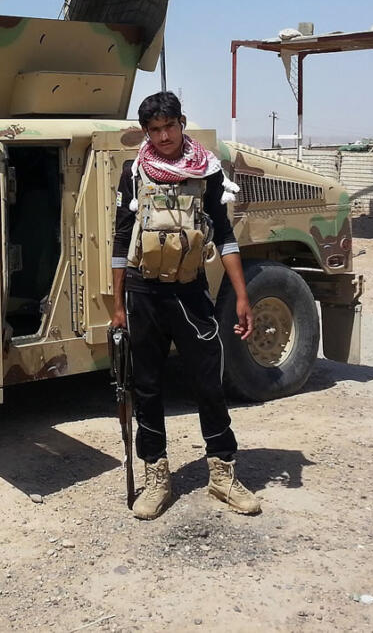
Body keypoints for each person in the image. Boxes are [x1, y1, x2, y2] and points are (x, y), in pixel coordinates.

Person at [110, 92, 261, 520]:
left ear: (182, 122)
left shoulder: (209, 171)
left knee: (209, 383)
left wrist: (243, 296)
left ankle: (222, 475)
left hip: (191, 293)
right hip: (143, 293)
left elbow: (225, 235)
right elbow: (121, 240)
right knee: (147, 387)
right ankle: (157, 476)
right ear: (145, 132)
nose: (163, 137)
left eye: (169, 127)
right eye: (154, 130)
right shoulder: (134, 172)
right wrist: (117, 303)